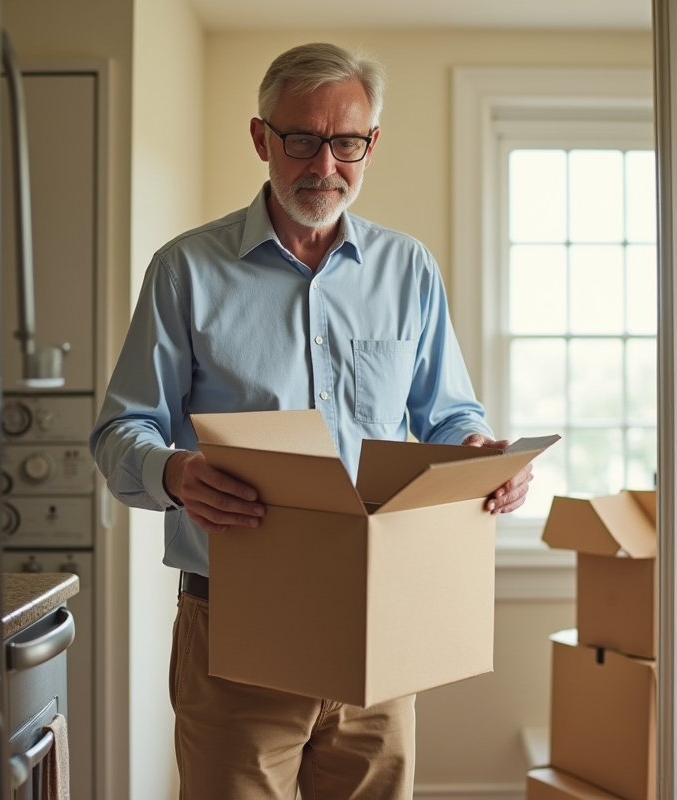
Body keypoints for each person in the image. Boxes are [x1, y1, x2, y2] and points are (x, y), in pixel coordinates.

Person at [89, 42, 533, 800]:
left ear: (371, 145)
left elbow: (450, 413)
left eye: (346, 142)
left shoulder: (410, 270)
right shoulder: (185, 270)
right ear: (262, 139)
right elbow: (119, 432)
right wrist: (175, 472)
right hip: (235, 628)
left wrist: (479, 454)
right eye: (300, 140)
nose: (324, 165)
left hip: (383, 624)